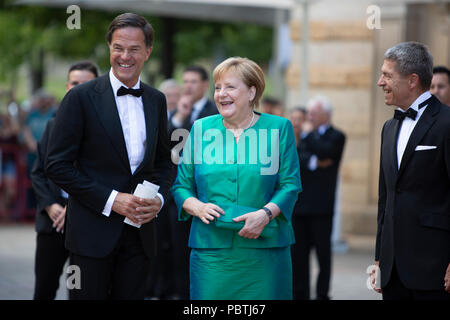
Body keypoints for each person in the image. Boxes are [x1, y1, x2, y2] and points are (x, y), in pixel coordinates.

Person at [45, 13, 174, 300]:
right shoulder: (79, 97)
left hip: (140, 237)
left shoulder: (156, 99)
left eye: (134, 49)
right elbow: (56, 165)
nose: (124, 56)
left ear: (148, 52)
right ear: (109, 48)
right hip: (90, 235)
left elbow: (165, 162)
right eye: (118, 47)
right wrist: (112, 200)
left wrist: (159, 200)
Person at [171, 57, 302, 300]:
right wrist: (196, 206)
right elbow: (181, 186)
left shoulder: (279, 128)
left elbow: (290, 184)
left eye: (230, 87)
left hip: (265, 248)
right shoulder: (200, 128)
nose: (221, 94)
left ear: (252, 91)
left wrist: (265, 214)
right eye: (218, 87)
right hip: (211, 251)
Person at [372, 41, 450, 300]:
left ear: (412, 80)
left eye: (387, 75)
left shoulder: (447, 123)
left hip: (435, 269)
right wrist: (379, 259)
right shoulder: (388, 128)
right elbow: (386, 199)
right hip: (392, 271)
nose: (380, 82)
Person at [31, 61, 98, 300]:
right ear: (67, 86)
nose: (79, 88)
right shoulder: (52, 125)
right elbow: (39, 171)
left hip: (87, 222)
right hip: (52, 222)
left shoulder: (105, 129)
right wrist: (51, 206)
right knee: (44, 288)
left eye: (86, 83)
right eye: (74, 83)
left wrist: (75, 206)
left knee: (80, 291)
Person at [290, 96, 346, 300]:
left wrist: (310, 145)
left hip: (322, 208)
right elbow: (298, 157)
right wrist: (316, 162)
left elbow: (327, 152)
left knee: (323, 255)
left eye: (313, 114)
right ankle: (300, 294)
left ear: (326, 115)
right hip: (300, 207)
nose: (309, 117)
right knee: (299, 255)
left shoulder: (337, 136)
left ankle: (322, 294)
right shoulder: (305, 137)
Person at [168, 65, 218, 133]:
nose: (188, 86)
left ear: (205, 85)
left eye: (193, 82)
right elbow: (166, 140)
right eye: (185, 82)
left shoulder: (216, 112)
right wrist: (180, 116)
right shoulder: (176, 112)